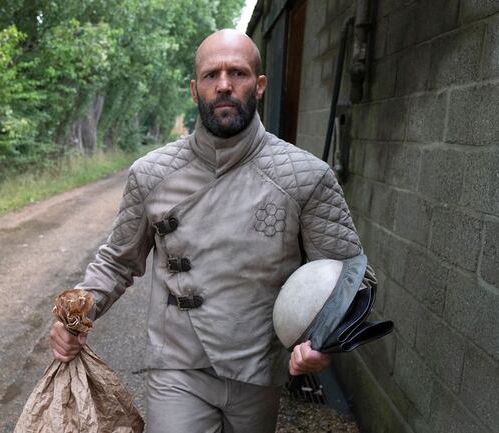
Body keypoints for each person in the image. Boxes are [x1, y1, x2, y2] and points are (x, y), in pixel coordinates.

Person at [49, 29, 372, 433]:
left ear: (259, 85)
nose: (223, 85)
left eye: (237, 73)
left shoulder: (305, 176)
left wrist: (323, 341)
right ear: (194, 88)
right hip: (177, 367)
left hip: (258, 370)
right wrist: (75, 315)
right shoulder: (152, 174)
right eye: (211, 75)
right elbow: (117, 260)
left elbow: (350, 276)